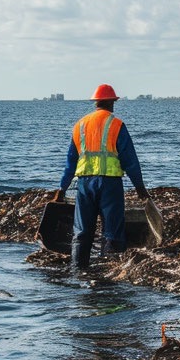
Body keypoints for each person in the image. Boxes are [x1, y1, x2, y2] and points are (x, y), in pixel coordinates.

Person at [55, 83, 148, 270]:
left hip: (85, 184)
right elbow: (130, 160)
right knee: (112, 230)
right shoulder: (117, 125)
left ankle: (78, 270)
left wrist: (61, 189)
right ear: (112, 102)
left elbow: (70, 161)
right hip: (109, 184)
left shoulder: (80, 126)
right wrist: (140, 188)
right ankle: (109, 273)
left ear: (96, 102)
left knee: (81, 231)